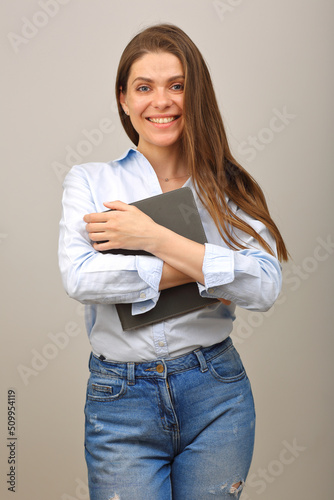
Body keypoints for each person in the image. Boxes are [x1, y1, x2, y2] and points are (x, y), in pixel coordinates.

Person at [58, 23, 288, 500]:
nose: (161, 101)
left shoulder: (228, 190)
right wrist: (212, 269)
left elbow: (265, 288)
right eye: (144, 87)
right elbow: (81, 278)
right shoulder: (90, 181)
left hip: (216, 393)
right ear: (124, 99)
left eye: (177, 86)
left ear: (195, 95)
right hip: (120, 399)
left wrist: (151, 237)